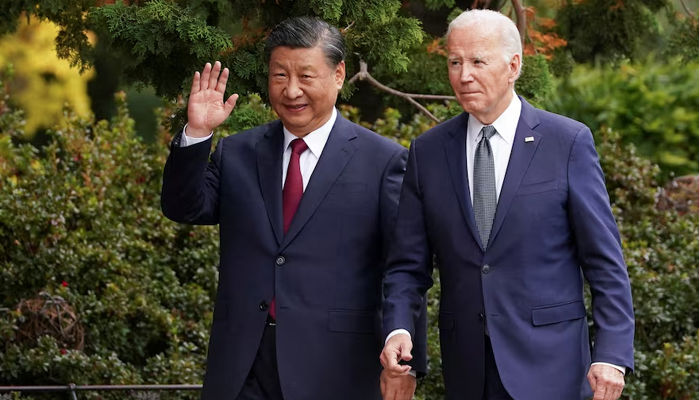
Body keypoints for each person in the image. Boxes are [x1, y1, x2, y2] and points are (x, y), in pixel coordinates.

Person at [161, 16, 425, 400]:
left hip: (336, 369)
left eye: (306, 76)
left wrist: (407, 359)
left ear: (338, 75)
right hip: (244, 367)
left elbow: (403, 267)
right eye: (279, 75)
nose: (291, 90)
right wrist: (198, 133)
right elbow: (184, 207)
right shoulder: (239, 153)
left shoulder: (383, 161)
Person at [380, 9, 634, 400]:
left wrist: (612, 354)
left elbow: (604, 261)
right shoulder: (427, 152)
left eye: (478, 61)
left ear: (513, 65)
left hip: (554, 369)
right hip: (468, 371)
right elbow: (407, 267)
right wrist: (399, 329)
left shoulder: (567, 142)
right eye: (454, 61)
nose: (464, 75)